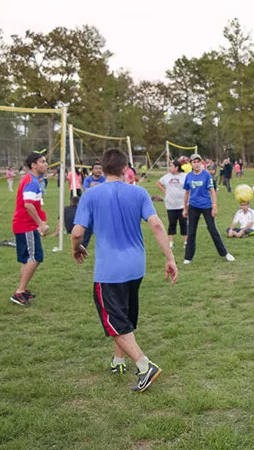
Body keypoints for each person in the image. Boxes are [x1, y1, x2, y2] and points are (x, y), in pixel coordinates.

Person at [71, 148, 178, 393]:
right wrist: (170, 258)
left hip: (109, 270)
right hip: (136, 266)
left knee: (114, 321)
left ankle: (144, 366)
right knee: (123, 316)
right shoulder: (139, 192)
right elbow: (157, 225)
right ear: (124, 169)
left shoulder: (90, 195)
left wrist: (75, 248)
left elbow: (77, 232)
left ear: (102, 169)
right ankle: (118, 360)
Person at [10, 151, 50, 306]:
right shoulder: (31, 181)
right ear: (34, 165)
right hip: (25, 225)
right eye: (43, 162)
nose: (46, 164)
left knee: (28, 258)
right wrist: (40, 224)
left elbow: (36, 205)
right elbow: (28, 205)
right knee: (36, 257)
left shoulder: (31, 179)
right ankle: (19, 292)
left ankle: (23, 289)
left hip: (23, 225)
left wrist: (42, 221)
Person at [183, 154, 234, 264]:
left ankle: (225, 253)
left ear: (201, 163)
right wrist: (185, 208)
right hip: (193, 206)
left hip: (206, 206)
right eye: (194, 162)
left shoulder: (206, 175)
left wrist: (214, 207)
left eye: (198, 162)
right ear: (191, 164)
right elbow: (186, 193)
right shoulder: (189, 176)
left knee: (212, 229)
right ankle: (188, 257)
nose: (196, 164)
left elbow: (212, 192)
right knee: (191, 232)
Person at [156, 160, 187, 250]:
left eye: (171, 166)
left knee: (183, 223)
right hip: (170, 205)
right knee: (172, 223)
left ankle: (186, 242)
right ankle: (171, 243)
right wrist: (165, 192)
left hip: (182, 204)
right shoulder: (166, 177)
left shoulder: (184, 176)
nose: (169, 168)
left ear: (177, 167)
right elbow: (158, 183)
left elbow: (189, 188)